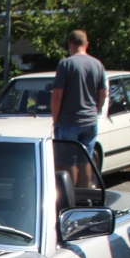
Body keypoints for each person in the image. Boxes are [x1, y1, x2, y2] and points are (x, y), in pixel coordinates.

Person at [50, 30, 107, 187]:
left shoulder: (66, 64)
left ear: (70, 44)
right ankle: (85, 195)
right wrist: (95, 111)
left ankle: (70, 196)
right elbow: (103, 94)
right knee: (85, 160)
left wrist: (55, 118)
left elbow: (57, 95)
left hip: (68, 120)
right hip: (90, 121)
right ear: (86, 44)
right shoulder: (97, 64)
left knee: (67, 162)